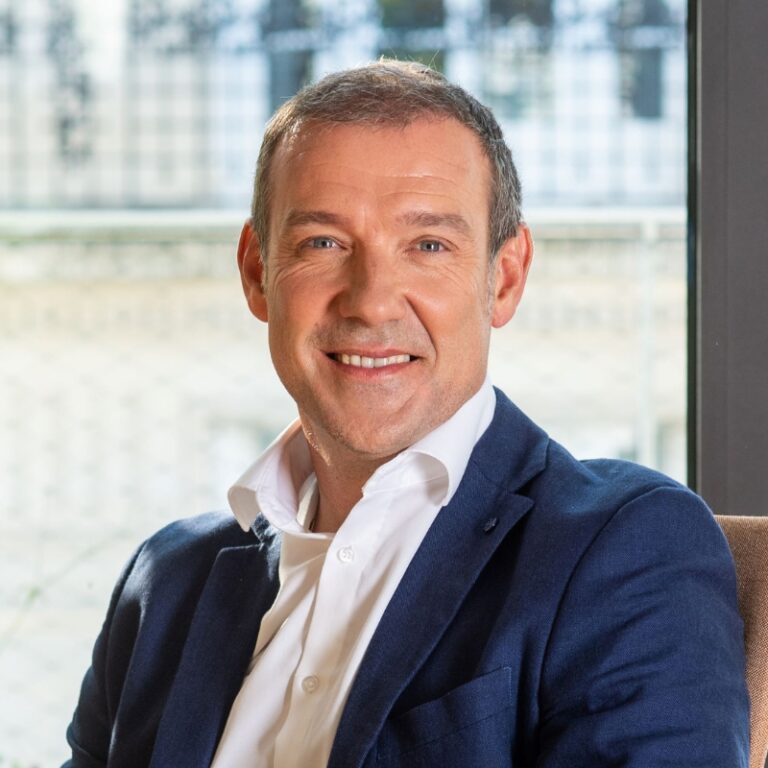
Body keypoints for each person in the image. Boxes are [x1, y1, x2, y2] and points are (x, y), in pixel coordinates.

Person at [64, 61, 749, 768]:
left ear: (505, 278)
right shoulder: (167, 579)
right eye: (323, 243)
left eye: (428, 246)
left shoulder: (622, 547)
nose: (371, 301)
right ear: (257, 272)